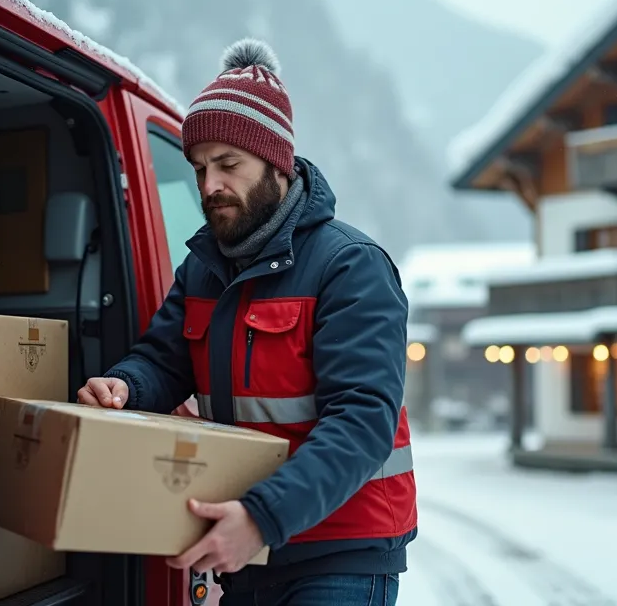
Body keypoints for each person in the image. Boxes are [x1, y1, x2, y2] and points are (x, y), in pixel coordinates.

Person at [78, 37, 416, 605]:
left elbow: (362, 421)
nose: (209, 185)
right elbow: (164, 360)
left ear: (276, 163)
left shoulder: (350, 266)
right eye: (199, 168)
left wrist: (261, 517)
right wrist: (125, 386)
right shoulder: (203, 269)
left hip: (339, 553)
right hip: (244, 547)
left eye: (228, 164)